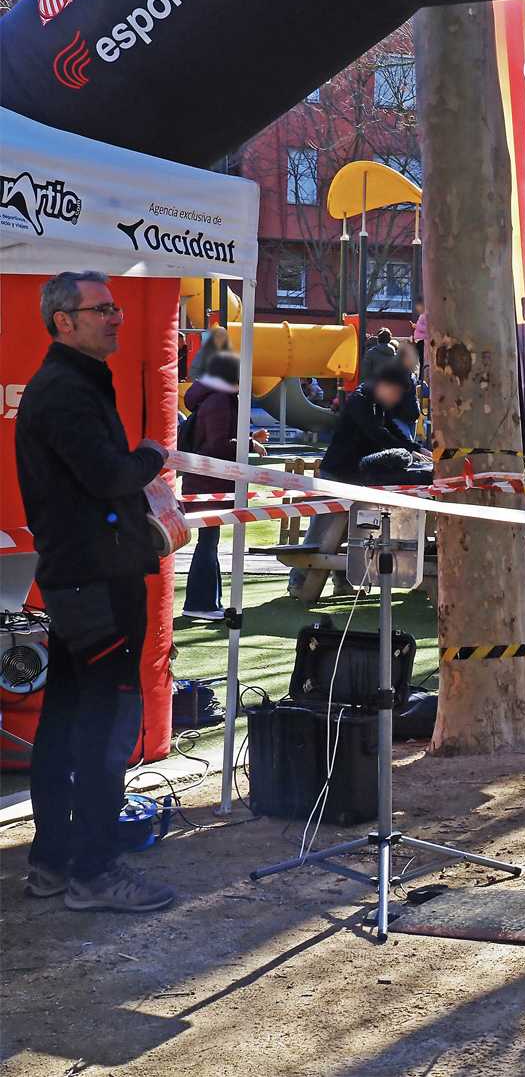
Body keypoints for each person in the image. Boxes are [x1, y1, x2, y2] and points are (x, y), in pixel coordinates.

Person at [15, 271, 177, 913]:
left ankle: (54, 864)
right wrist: (152, 455)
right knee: (105, 723)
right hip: (94, 584)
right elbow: (109, 475)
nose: (116, 318)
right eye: (102, 309)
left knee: (65, 720)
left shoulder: (74, 382)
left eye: (117, 308)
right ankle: (94, 871)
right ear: (64, 321)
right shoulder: (64, 390)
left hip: (84, 579)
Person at [180, 351, 268, 622]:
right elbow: (218, 445)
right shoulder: (219, 399)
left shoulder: (214, 397)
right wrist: (249, 443)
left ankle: (206, 601)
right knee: (208, 542)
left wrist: (249, 438)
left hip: (205, 481)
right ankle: (200, 603)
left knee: (209, 541)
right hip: (208, 482)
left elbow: (216, 438)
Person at [320, 364, 428, 484]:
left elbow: (392, 429)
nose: (397, 398)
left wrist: (418, 448)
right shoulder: (359, 399)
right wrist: (408, 450)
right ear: (382, 385)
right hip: (338, 473)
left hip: (357, 472)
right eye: (395, 392)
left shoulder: (380, 403)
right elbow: (376, 431)